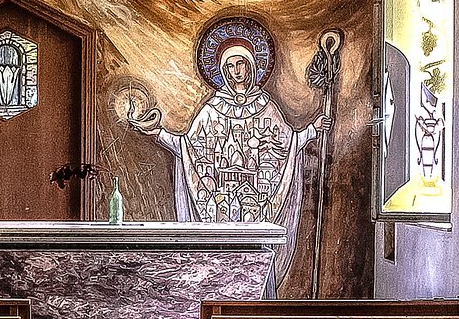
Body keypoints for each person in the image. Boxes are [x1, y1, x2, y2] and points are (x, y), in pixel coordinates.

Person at [129, 38, 325, 292]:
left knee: (257, 267)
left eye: (241, 64)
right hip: (221, 206)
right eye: (230, 66)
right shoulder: (212, 109)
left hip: (254, 206)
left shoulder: (266, 107)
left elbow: (287, 143)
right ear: (223, 71)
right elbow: (189, 147)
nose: (236, 71)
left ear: (251, 67)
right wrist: (158, 133)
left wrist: (311, 130)